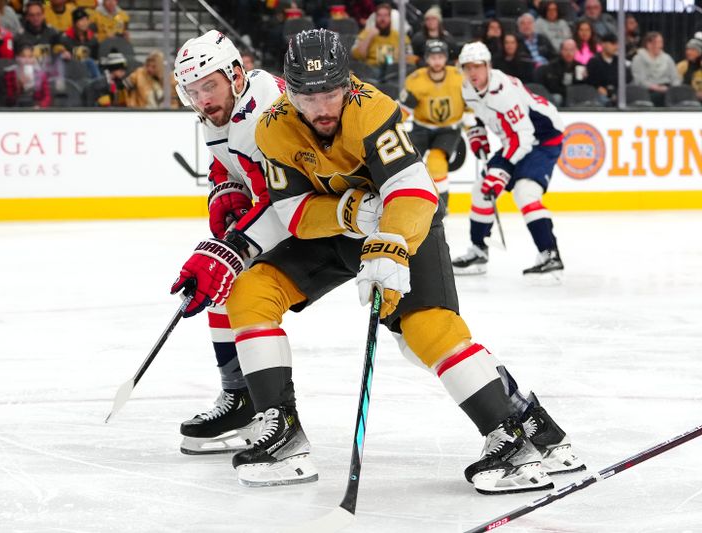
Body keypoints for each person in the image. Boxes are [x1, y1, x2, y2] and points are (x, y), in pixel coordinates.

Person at [171, 29, 584, 491]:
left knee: (423, 333)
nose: (322, 108)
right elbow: (293, 213)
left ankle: (514, 432)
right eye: (308, 97)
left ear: (347, 83)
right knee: (249, 292)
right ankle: (281, 432)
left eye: (330, 92)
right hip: (334, 231)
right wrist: (243, 245)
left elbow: (414, 190)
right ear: (289, 93)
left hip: (404, 224)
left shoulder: (374, 109)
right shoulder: (274, 126)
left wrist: (389, 239)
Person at [169, 31, 290, 455]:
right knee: (225, 288)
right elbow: (229, 167)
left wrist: (233, 248)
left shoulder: (267, 113)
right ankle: (242, 399)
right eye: (193, 91)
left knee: (416, 329)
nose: (202, 99)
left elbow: (282, 199)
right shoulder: (222, 110)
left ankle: (502, 407)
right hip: (286, 215)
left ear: (236, 75)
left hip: (322, 218)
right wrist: (226, 193)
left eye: (209, 86)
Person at [452, 42, 565, 276]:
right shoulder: (466, 88)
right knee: (481, 190)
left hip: (543, 139)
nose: (473, 72)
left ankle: (550, 254)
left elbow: (524, 136)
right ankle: (479, 250)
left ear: (488, 66)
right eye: (467, 67)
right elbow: (480, 114)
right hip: (516, 140)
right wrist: (478, 132)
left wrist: (501, 169)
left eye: (478, 66)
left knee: (526, 191)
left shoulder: (503, 91)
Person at [399, 39, 464, 211]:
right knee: (406, 161)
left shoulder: (458, 76)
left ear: (446, 58)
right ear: (427, 58)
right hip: (422, 127)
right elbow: (404, 110)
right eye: (433, 57)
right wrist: (392, 126)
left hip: (449, 129)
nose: (437, 61)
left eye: (440, 56)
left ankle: (442, 206)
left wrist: (474, 125)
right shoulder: (415, 79)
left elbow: (471, 102)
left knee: (436, 162)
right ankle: (411, 202)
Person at [351, 3, 412, 74]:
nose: (382, 19)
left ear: (390, 18)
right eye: (379, 15)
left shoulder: (400, 36)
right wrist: (369, 37)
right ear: (375, 18)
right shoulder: (366, 33)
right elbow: (357, 56)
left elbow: (409, 57)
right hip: (371, 69)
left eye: (386, 15)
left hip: (394, 70)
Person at [632, 31, 681, 107]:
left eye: (661, 42)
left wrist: (673, 89)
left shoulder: (667, 58)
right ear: (649, 44)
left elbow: (675, 78)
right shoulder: (638, 59)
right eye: (658, 42)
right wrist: (657, 88)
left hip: (667, 89)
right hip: (647, 91)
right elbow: (640, 81)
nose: (661, 45)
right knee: (659, 97)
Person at [536, 39, 585, 107]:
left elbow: (582, 86)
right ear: (561, 51)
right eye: (566, 50)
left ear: (576, 50)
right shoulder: (552, 66)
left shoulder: (580, 67)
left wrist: (586, 78)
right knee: (557, 97)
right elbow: (552, 87)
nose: (569, 53)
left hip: (574, 96)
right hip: (558, 94)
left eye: (571, 50)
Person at [587, 33, 630, 107]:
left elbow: (627, 78)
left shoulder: (619, 61)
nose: (616, 47)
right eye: (613, 44)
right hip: (598, 95)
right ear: (603, 44)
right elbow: (591, 81)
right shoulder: (594, 61)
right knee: (604, 101)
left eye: (617, 44)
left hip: (617, 94)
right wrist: (598, 88)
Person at [676, 33, 702, 102]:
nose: (688, 52)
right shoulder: (681, 66)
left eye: (692, 50)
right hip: (686, 99)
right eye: (688, 49)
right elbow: (676, 86)